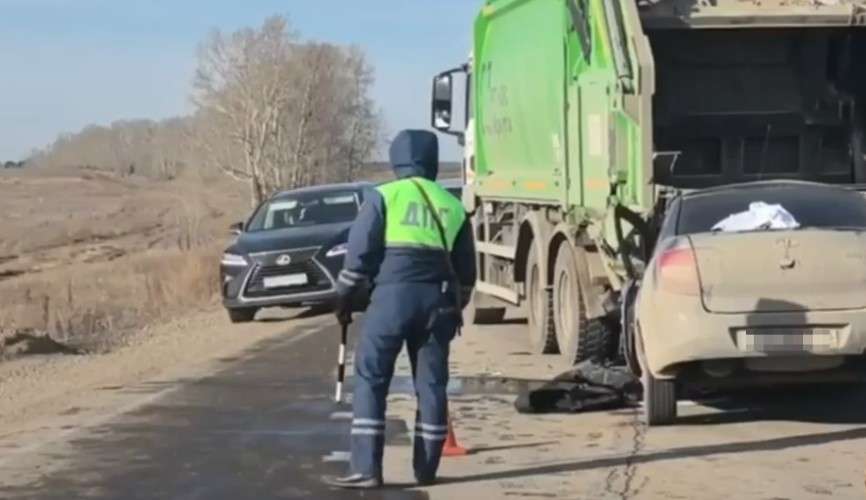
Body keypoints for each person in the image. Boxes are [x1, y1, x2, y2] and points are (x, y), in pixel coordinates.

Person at [323, 129, 476, 489]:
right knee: (433, 385)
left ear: (396, 160)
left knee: (373, 378)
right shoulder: (452, 205)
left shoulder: (383, 197)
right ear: (433, 161)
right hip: (437, 302)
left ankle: (366, 469)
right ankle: (427, 469)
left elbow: (358, 256)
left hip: (391, 299)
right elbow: (467, 272)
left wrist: (344, 299)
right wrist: (454, 309)